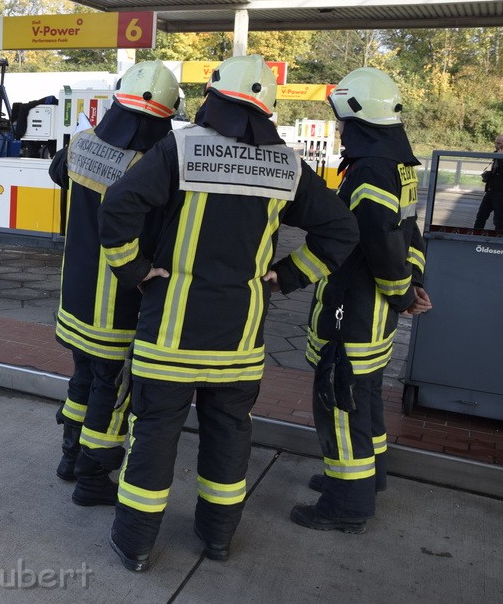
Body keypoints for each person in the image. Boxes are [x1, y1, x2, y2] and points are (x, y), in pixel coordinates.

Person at [98, 54, 359, 572]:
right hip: (239, 343)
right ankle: (217, 538)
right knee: (230, 436)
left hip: (169, 336)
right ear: (268, 107)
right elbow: (341, 232)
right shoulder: (287, 165)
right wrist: (287, 275)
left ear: (213, 95)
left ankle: (136, 544)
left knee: (153, 436)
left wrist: (135, 270)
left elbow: (119, 207)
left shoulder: (180, 147)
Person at [292, 67, 432, 534]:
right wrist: (412, 286)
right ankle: (367, 479)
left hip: (352, 313)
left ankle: (345, 502)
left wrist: (400, 295)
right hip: (375, 320)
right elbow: (409, 234)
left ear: (357, 119)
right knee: (365, 400)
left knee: (339, 401)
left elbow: (377, 241)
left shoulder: (369, 169)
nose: (338, 130)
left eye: (341, 122)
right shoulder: (397, 165)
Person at [48, 61, 181, 507]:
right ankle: (91, 480)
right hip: (119, 307)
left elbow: (56, 173)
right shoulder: (153, 163)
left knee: (83, 377)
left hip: (75, 298)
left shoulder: (82, 143)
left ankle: (70, 457)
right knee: (113, 391)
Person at [473, 133, 503, 231]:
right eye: (495, 142)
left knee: (499, 220)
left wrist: (500, 158)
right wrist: (489, 174)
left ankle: (498, 241)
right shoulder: (496, 154)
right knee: (481, 215)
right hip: (491, 190)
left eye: (498, 143)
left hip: (500, 193)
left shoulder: (499, 156)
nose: (496, 145)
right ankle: (475, 235)